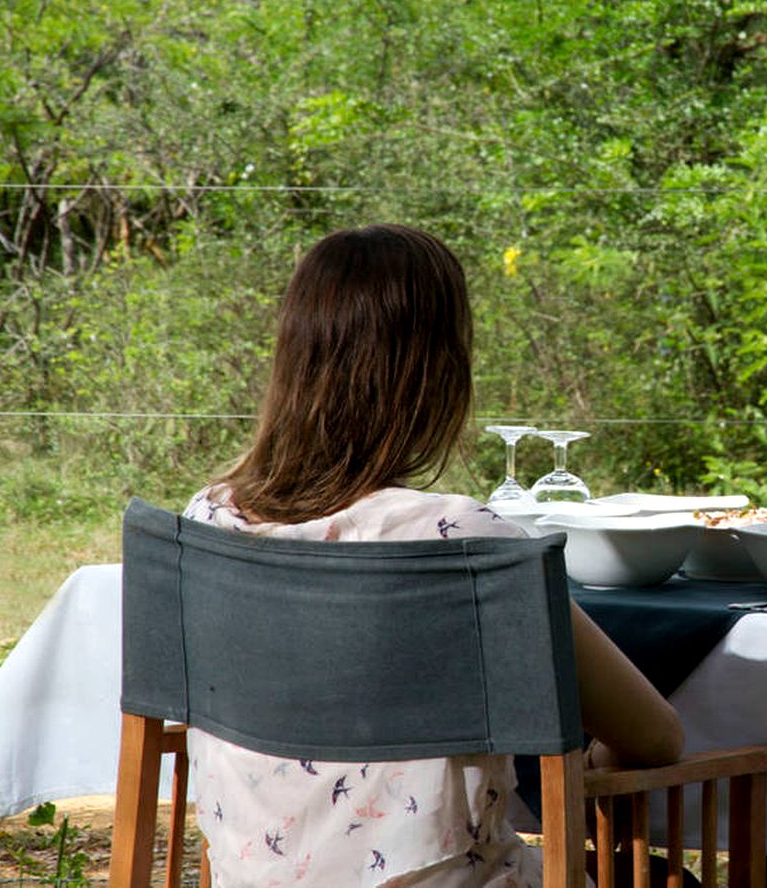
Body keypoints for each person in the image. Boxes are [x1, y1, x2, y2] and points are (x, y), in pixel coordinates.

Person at [182, 224, 684, 888]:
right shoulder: (464, 540)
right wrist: (603, 750)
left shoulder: (209, 519)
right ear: (440, 371)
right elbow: (655, 738)